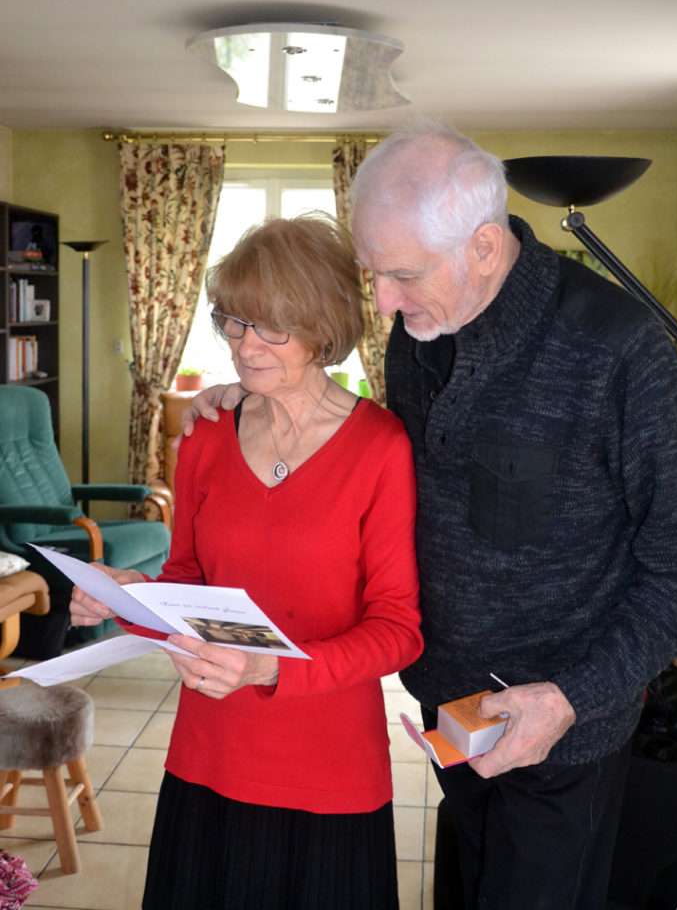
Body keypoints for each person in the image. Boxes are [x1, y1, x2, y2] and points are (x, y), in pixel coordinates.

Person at [185, 126, 677, 910]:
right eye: (374, 273)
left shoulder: (617, 349)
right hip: (450, 711)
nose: (383, 301)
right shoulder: (418, 331)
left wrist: (569, 696)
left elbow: (675, 565)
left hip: (559, 724)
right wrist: (253, 391)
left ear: (482, 246)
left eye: (403, 275)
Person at [70, 214, 423, 910]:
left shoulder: (380, 447)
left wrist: (269, 669)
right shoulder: (206, 435)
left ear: (323, 328)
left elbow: (397, 631)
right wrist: (128, 598)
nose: (244, 346)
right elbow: (188, 585)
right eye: (233, 322)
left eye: (271, 328)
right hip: (209, 752)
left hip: (328, 767)